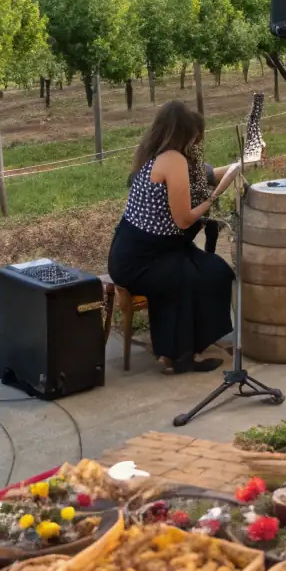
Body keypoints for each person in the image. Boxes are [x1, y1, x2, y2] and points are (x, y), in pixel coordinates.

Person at [108, 101, 239, 374]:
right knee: (188, 278)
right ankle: (177, 355)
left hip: (138, 252)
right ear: (184, 133)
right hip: (143, 259)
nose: (196, 142)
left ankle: (187, 346)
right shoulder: (173, 160)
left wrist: (237, 167)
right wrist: (214, 197)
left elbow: (204, 176)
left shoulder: (152, 154)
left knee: (215, 270)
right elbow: (184, 220)